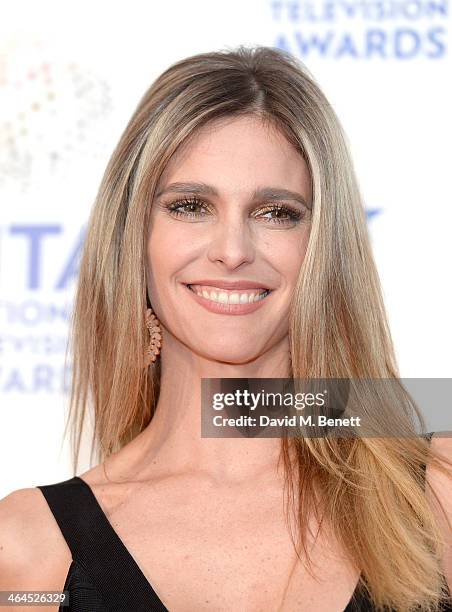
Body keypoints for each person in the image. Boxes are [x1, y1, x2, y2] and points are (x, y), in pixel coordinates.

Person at [1, 45, 452, 612]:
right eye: (190, 206)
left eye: (277, 212)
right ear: (133, 239)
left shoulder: (433, 497)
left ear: (324, 246)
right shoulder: (28, 549)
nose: (233, 251)